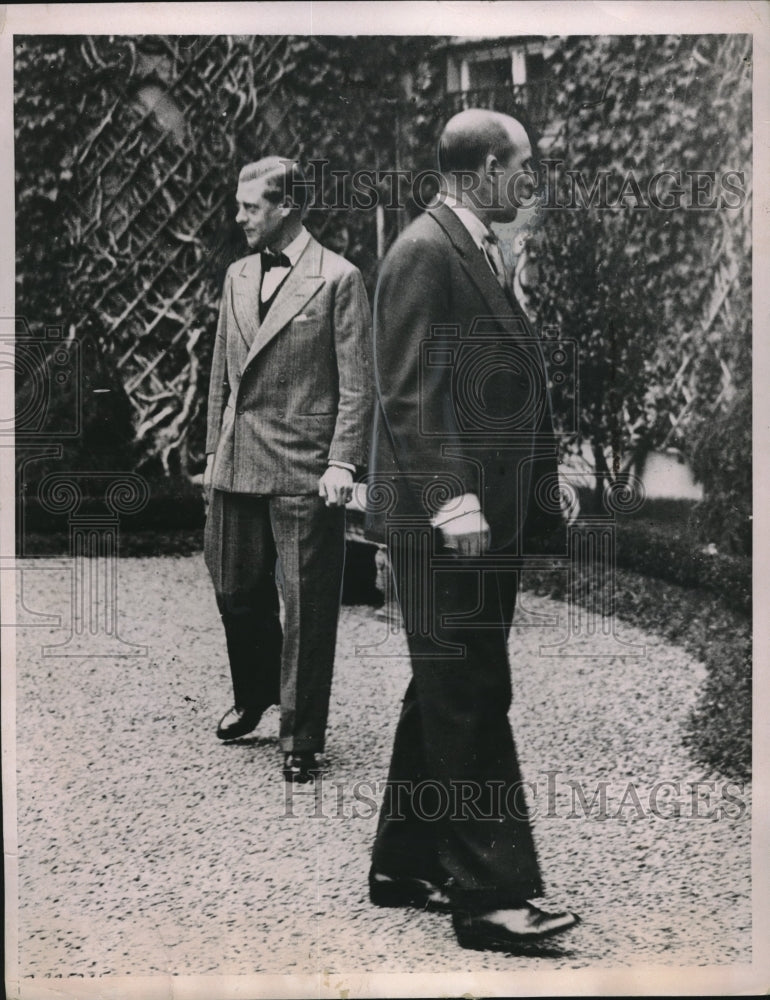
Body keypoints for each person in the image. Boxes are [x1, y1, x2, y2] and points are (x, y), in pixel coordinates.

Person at [365, 110, 580, 952]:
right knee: (472, 692)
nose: (530, 182)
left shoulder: (478, 247)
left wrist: (541, 477)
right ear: (484, 166)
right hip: (442, 524)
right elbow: (409, 392)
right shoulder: (423, 250)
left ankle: (404, 863)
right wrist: (454, 501)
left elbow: (503, 382)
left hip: (480, 520)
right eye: (522, 166)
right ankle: (490, 896)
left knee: (446, 689)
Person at [204, 157, 373, 783]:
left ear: (285, 207)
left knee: (306, 606)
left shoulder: (339, 278)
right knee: (233, 590)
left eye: (250, 207)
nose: (239, 216)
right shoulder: (237, 274)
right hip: (236, 462)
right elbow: (221, 374)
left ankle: (301, 736)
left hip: (305, 469)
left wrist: (342, 462)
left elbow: (359, 385)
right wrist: (210, 456)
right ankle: (255, 694)